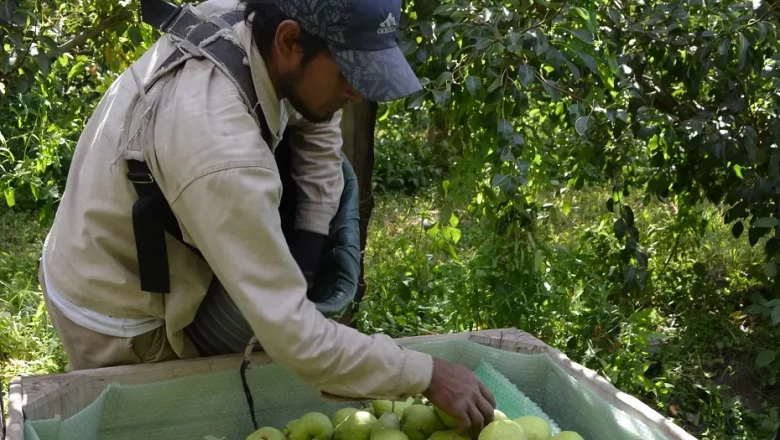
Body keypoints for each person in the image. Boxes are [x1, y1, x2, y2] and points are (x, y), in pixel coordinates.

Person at [39, 0, 496, 434]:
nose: (355, 92)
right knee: (173, 424)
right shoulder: (220, 151)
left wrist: (308, 249)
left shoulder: (254, 24)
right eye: (347, 73)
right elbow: (298, 340)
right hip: (111, 302)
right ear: (290, 41)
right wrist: (428, 374)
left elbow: (318, 125)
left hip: (151, 226)